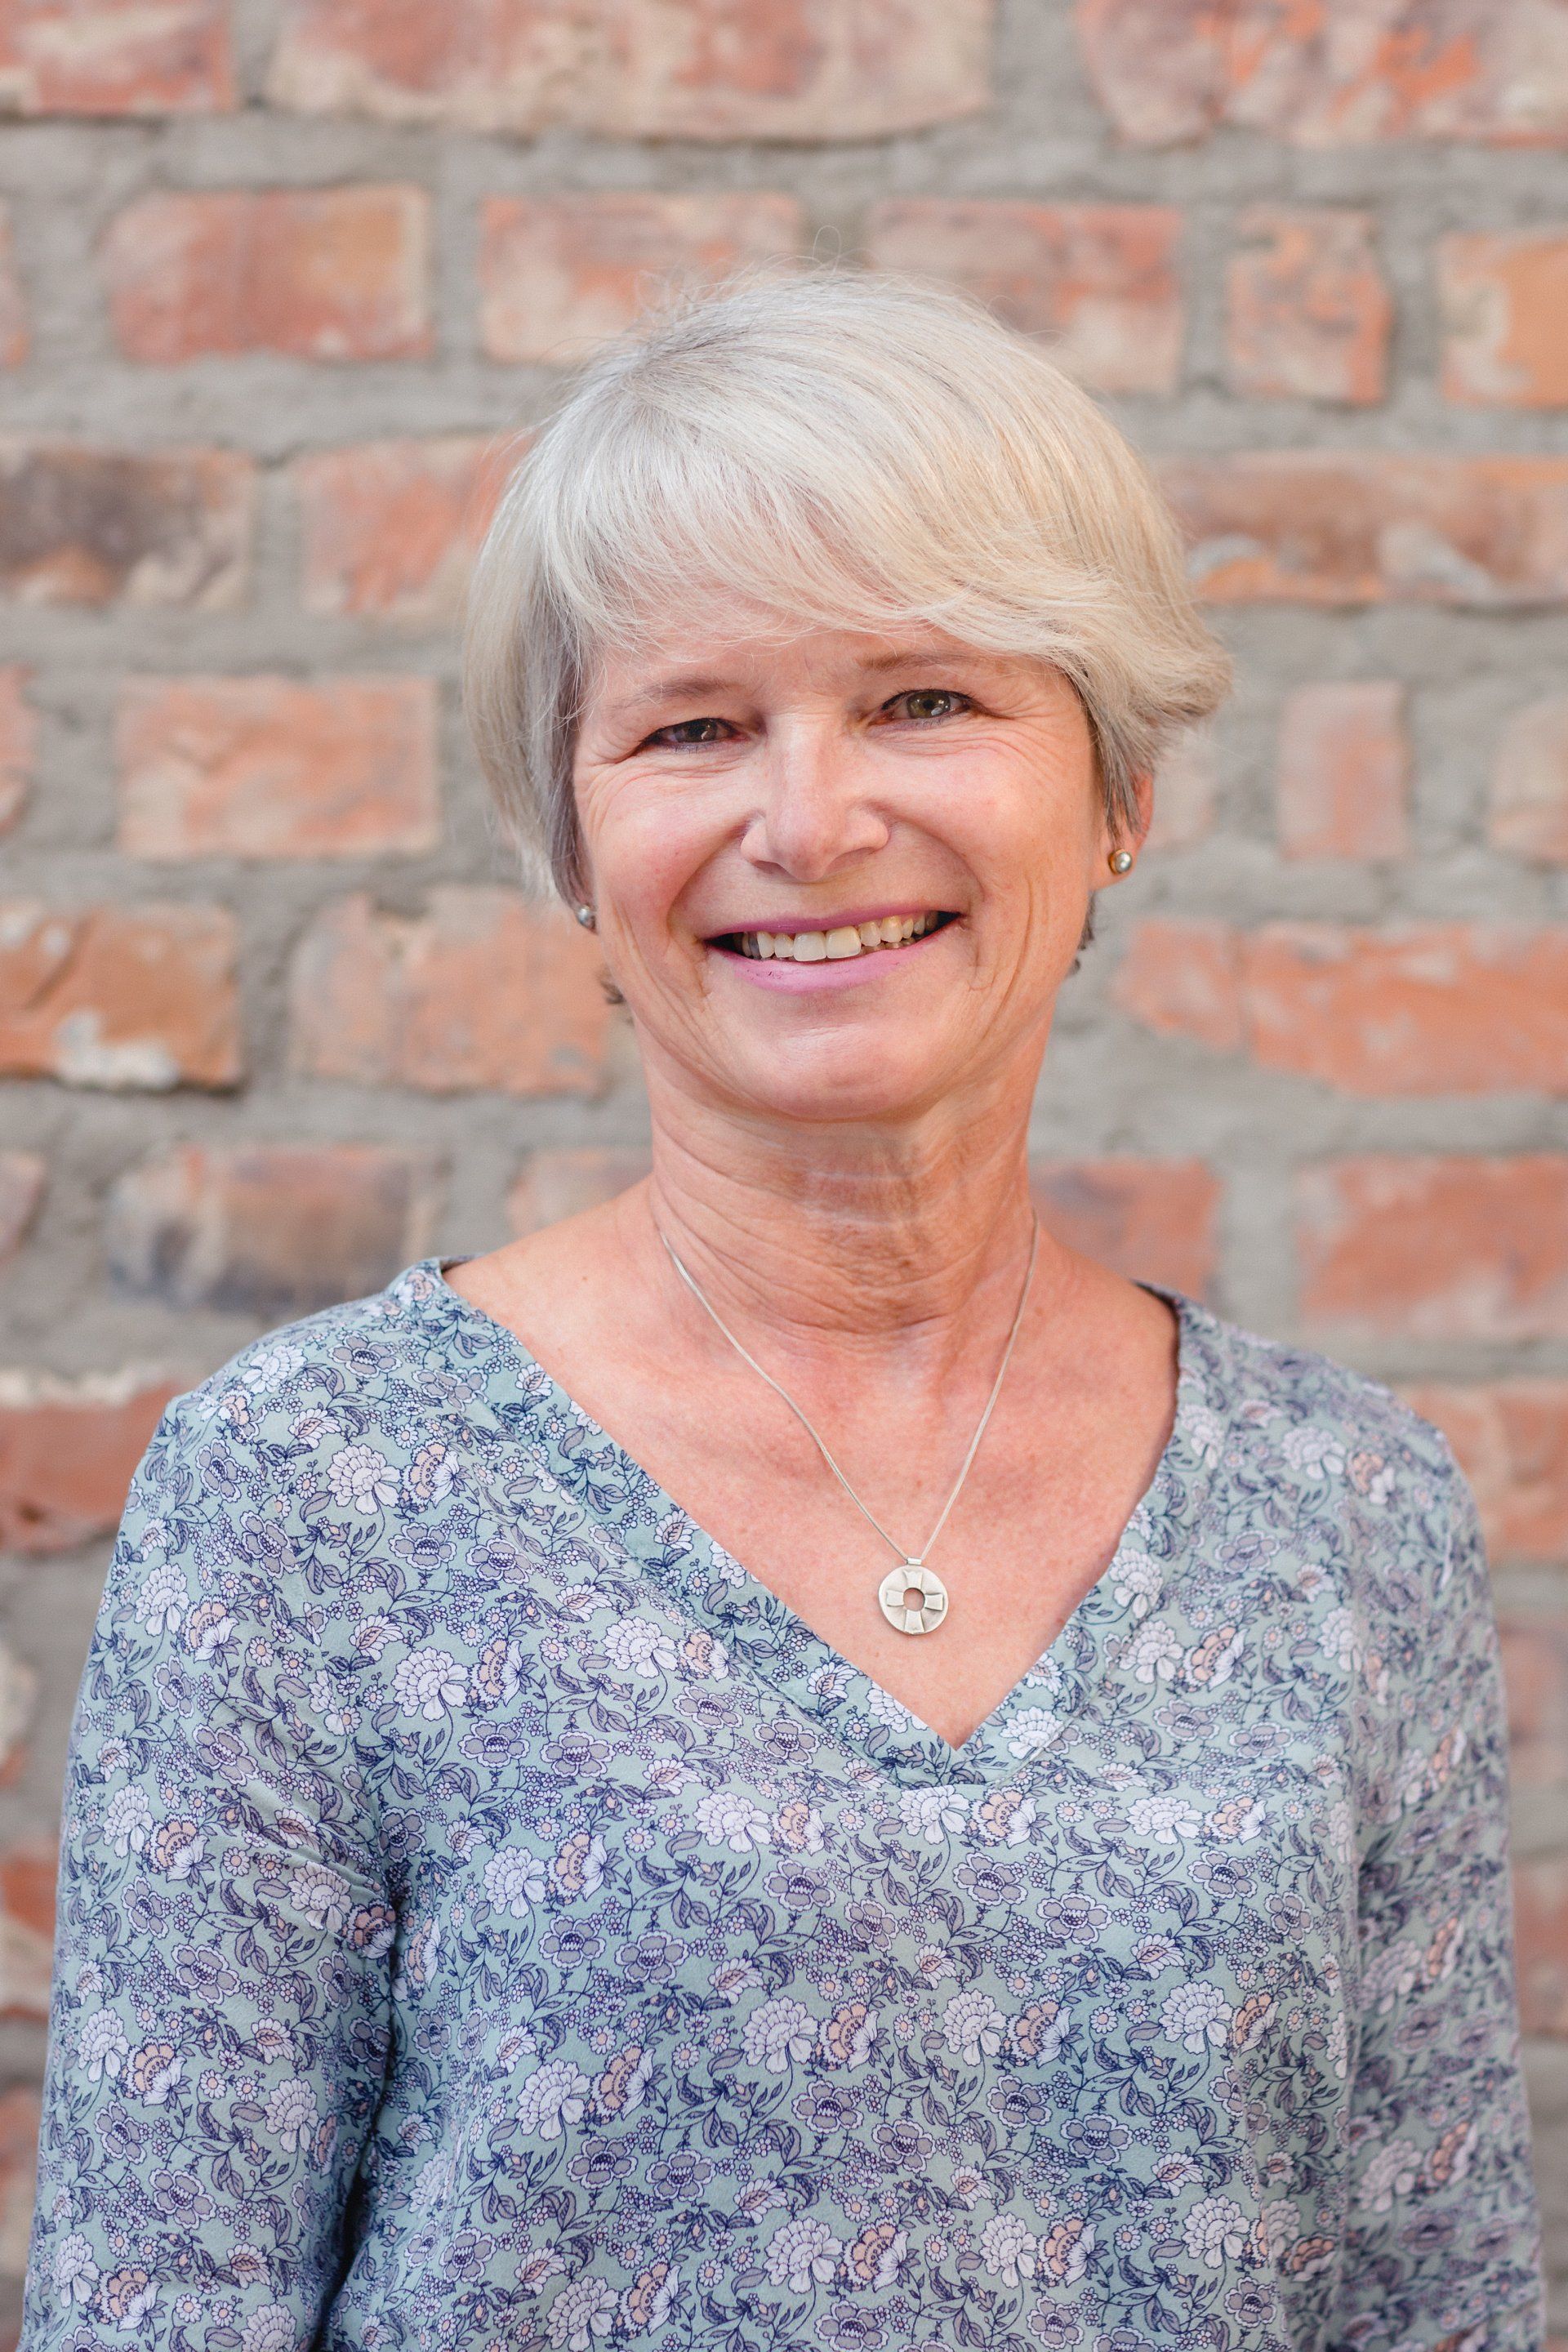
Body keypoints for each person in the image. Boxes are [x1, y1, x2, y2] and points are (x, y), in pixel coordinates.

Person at [24, 272, 1543, 2350]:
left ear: (1120, 793)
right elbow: (155, 2305)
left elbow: (1437, 2303)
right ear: (573, 840)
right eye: (693, 727)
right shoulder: (310, 1493)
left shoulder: (1354, 1512)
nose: (812, 822)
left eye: (925, 700)